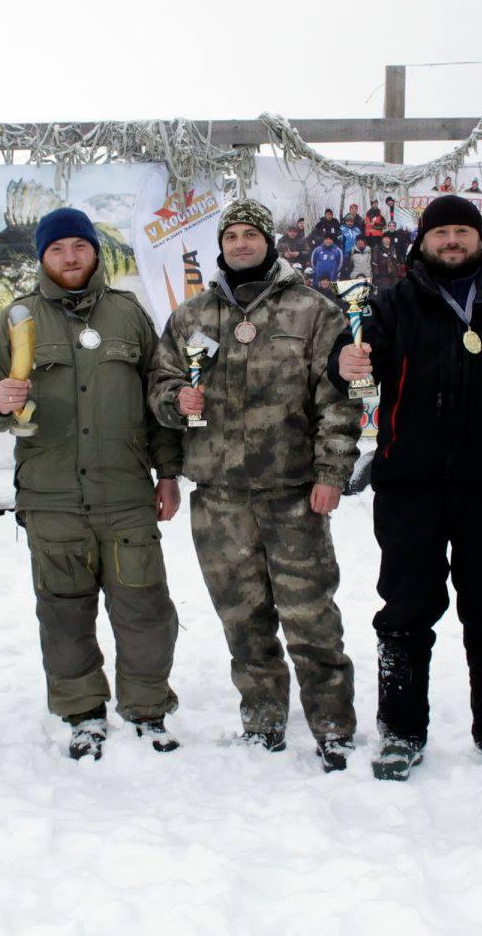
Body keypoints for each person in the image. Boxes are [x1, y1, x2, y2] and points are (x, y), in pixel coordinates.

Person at [331, 195, 482, 781]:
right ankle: (401, 732)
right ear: (424, 241)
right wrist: (347, 363)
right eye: (443, 233)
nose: (453, 241)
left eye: (463, 231)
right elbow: (358, 372)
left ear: (480, 239)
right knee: (406, 612)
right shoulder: (391, 305)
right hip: (411, 486)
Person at [148, 199, 361, 772]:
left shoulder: (313, 312)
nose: (240, 244)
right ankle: (263, 718)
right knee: (242, 619)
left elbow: (338, 400)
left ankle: (333, 725)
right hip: (218, 498)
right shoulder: (191, 316)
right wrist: (175, 400)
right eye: (232, 235)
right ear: (221, 245)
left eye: (251, 235)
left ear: (269, 241)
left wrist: (332, 474)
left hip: (292, 494)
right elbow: (161, 388)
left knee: (310, 615)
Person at [0, 208, 184, 761]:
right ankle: (82, 710)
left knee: (146, 610)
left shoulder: (128, 315)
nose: (69, 257)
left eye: (79, 247)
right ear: (42, 257)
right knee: (64, 614)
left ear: (94, 252)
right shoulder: (15, 318)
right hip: (52, 497)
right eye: (57, 249)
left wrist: (169, 474)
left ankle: (147, 707)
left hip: (127, 494)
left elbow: (158, 400)